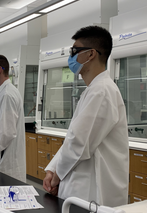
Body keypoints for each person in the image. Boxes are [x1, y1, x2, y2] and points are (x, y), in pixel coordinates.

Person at [43, 26, 129, 207]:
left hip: (94, 191)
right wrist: (52, 170)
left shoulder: (102, 91)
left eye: (74, 51)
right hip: (80, 189)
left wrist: (56, 176)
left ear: (91, 54)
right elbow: (72, 139)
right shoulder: (92, 90)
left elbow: (78, 145)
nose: (71, 56)